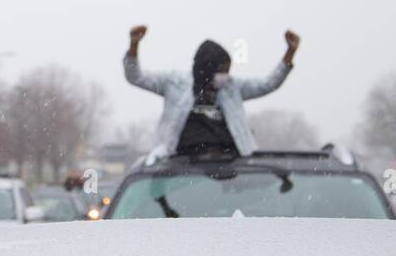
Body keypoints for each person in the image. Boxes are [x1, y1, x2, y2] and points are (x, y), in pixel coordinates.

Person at [124, 25, 300, 164]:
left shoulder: (232, 87)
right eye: (221, 70)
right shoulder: (175, 84)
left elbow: (267, 84)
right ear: (207, 68)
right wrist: (134, 46)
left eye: (227, 70)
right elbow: (136, 78)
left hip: (231, 164)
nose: (225, 75)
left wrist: (289, 54)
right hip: (180, 164)